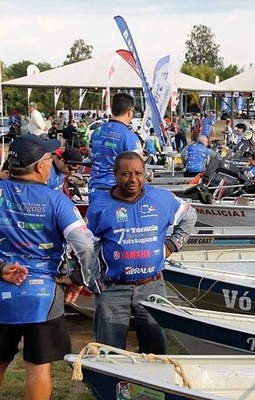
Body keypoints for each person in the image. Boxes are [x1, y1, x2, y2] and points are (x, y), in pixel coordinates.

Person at [0, 134, 95, 399]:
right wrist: (79, 278)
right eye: (49, 159)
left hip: (2, 290)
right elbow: (85, 245)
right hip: (42, 295)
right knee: (38, 366)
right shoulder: (56, 200)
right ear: (40, 166)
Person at [86, 151, 197, 354]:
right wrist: (93, 281)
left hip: (152, 287)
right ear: (115, 174)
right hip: (113, 290)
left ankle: (152, 386)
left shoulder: (162, 199)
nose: (133, 179)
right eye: (126, 174)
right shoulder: (99, 207)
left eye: (138, 173)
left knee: (156, 353)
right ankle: (115, 386)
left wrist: (171, 245)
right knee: (109, 354)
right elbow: (86, 246)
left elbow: (190, 216)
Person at [88, 93, 143, 203]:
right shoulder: (129, 136)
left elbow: (91, 155)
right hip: (117, 192)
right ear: (130, 111)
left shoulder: (97, 132)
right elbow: (138, 167)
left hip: (94, 189)